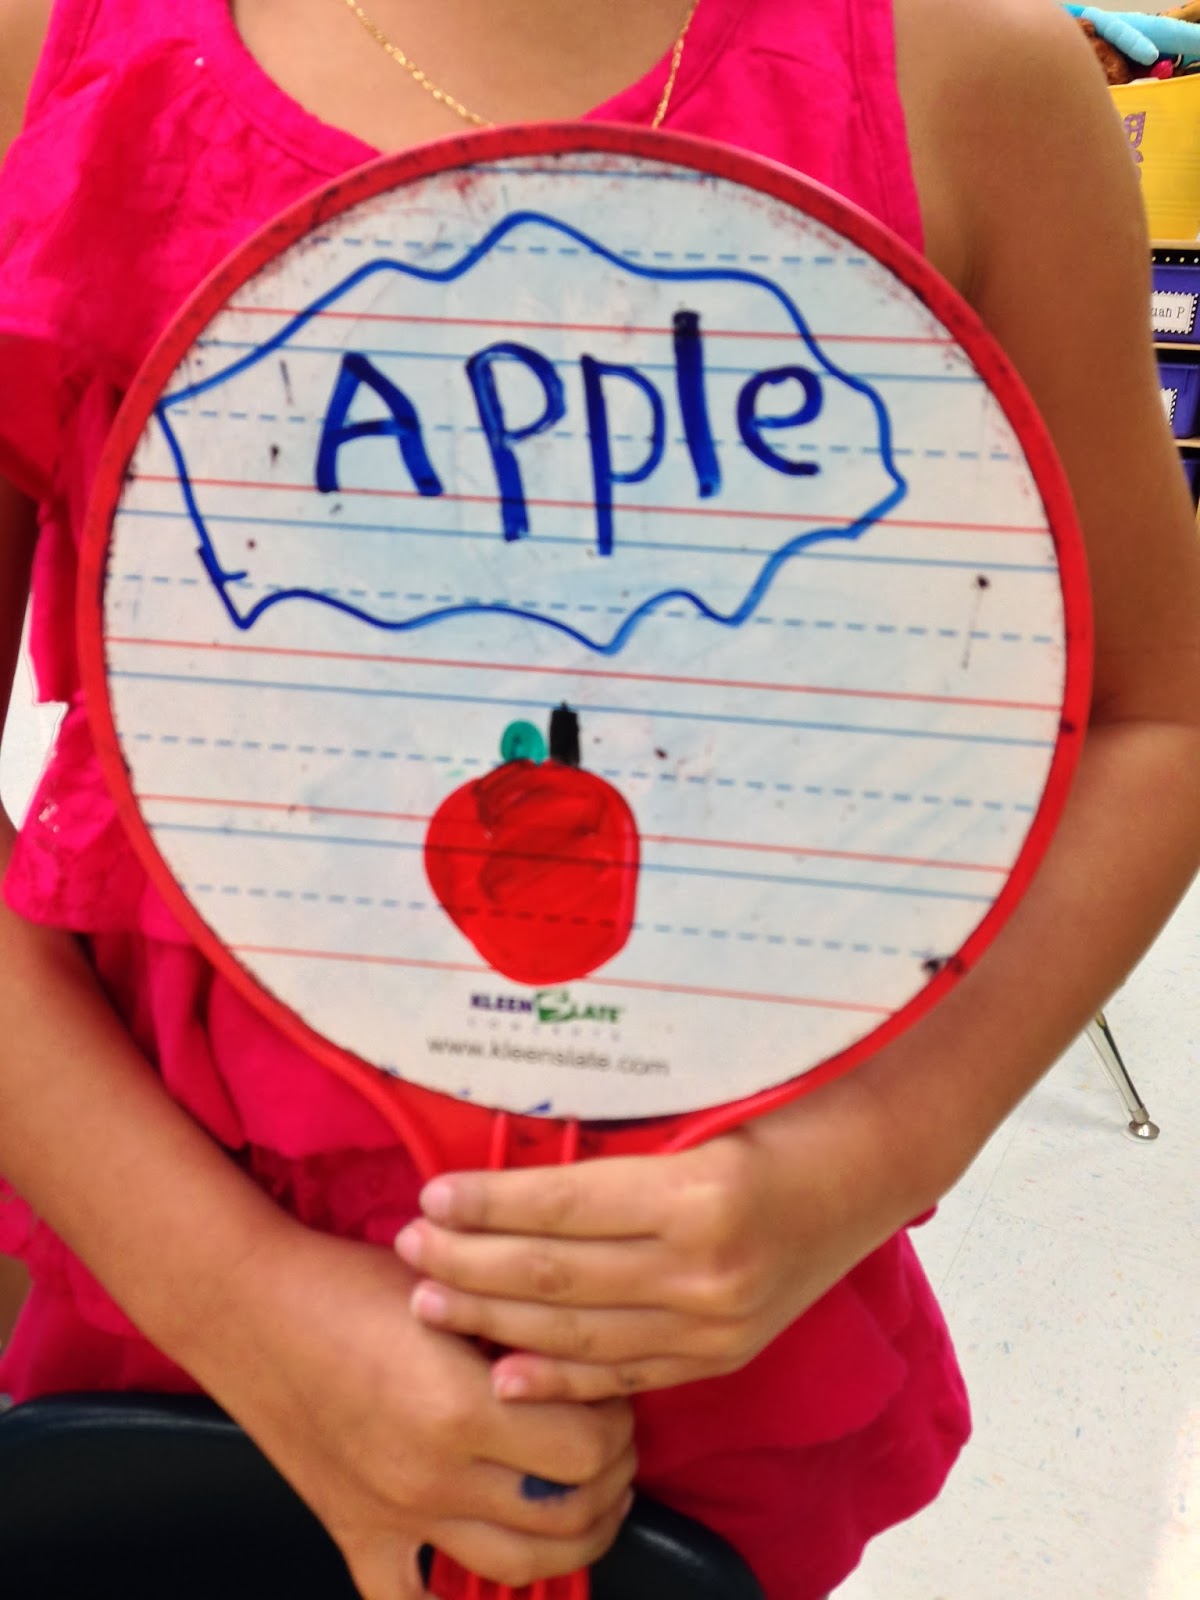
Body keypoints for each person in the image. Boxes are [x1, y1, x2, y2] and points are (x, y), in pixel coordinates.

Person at [1, 2, 1198, 1597]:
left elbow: (1157, 711)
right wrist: (240, 1302)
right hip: (165, 1302)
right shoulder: (52, 55)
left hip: (714, 1322)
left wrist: (853, 1166)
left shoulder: (969, 80)